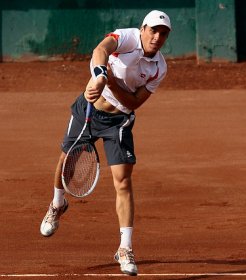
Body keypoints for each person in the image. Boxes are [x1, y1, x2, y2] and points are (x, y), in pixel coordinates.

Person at [40, 10, 172, 276]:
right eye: (153, 31)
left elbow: (133, 102)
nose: (157, 37)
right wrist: (99, 75)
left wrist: (110, 81)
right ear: (143, 29)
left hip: (118, 122)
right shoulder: (126, 37)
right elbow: (101, 49)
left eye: (163, 34)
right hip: (87, 110)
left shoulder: (159, 67)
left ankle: (125, 248)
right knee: (66, 159)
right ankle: (57, 205)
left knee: (123, 181)